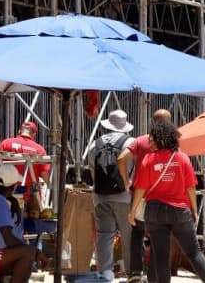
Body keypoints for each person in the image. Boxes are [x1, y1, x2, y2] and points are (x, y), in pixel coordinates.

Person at [128, 120, 205, 283]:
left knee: (161, 255)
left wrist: (133, 211)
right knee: (193, 252)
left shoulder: (149, 159)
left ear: (161, 138)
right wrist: (195, 209)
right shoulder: (182, 158)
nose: (150, 142)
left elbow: (140, 189)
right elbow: (190, 187)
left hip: (154, 211)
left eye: (153, 138)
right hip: (179, 211)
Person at [119, 108, 173, 283]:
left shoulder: (141, 140)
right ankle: (153, 276)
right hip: (164, 195)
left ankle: (135, 272)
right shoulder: (172, 144)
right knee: (159, 234)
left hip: (140, 194)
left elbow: (121, 159)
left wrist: (127, 182)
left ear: (152, 122)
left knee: (137, 232)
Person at [87, 109, 136, 281]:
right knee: (128, 234)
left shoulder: (95, 143)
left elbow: (92, 172)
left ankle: (106, 273)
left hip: (100, 196)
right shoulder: (131, 142)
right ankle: (132, 273)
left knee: (104, 234)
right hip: (125, 196)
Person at [0, 121, 50, 217]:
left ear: (19, 131)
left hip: (7, 194)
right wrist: (51, 189)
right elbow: (45, 175)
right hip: (31, 198)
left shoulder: (6, 143)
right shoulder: (39, 150)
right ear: (34, 134)